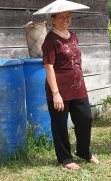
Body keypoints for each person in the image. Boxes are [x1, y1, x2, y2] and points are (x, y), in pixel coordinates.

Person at [42, 11, 99, 170]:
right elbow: (49, 67)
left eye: (68, 16)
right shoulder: (50, 40)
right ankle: (65, 158)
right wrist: (55, 93)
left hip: (78, 86)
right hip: (59, 89)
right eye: (60, 16)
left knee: (85, 118)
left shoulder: (73, 36)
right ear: (52, 20)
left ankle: (84, 152)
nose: (65, 19)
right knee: (60, 124)